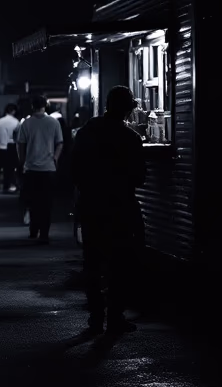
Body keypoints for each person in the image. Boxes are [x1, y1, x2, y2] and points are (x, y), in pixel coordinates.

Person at [72, 86, 145, 335]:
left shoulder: (85, 132)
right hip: (121, 207)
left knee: (92, 261)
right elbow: (139, 177)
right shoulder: (130, 138)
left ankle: (95, 317)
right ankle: (115, 317)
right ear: (128, 109)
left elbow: (73, 169)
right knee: (120, 263)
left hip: (91, 205)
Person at [16, 95, 64, 243]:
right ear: (46, 105)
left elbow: (20, 144)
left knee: (32, 201)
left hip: (30, 168)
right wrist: (55, 158)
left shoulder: (26, 123)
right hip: (49, 168)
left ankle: (33, 230)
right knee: (47, 202)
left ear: (32, 105)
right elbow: (60, 143)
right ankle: (44, 232)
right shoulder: (53, 122)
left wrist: (22, 161)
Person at [0, 103, 20, 193]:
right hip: (11, 146)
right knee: (9, 168)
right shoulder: (16, 122)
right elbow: (18, 136)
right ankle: (7, 185)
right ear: (13, 111)